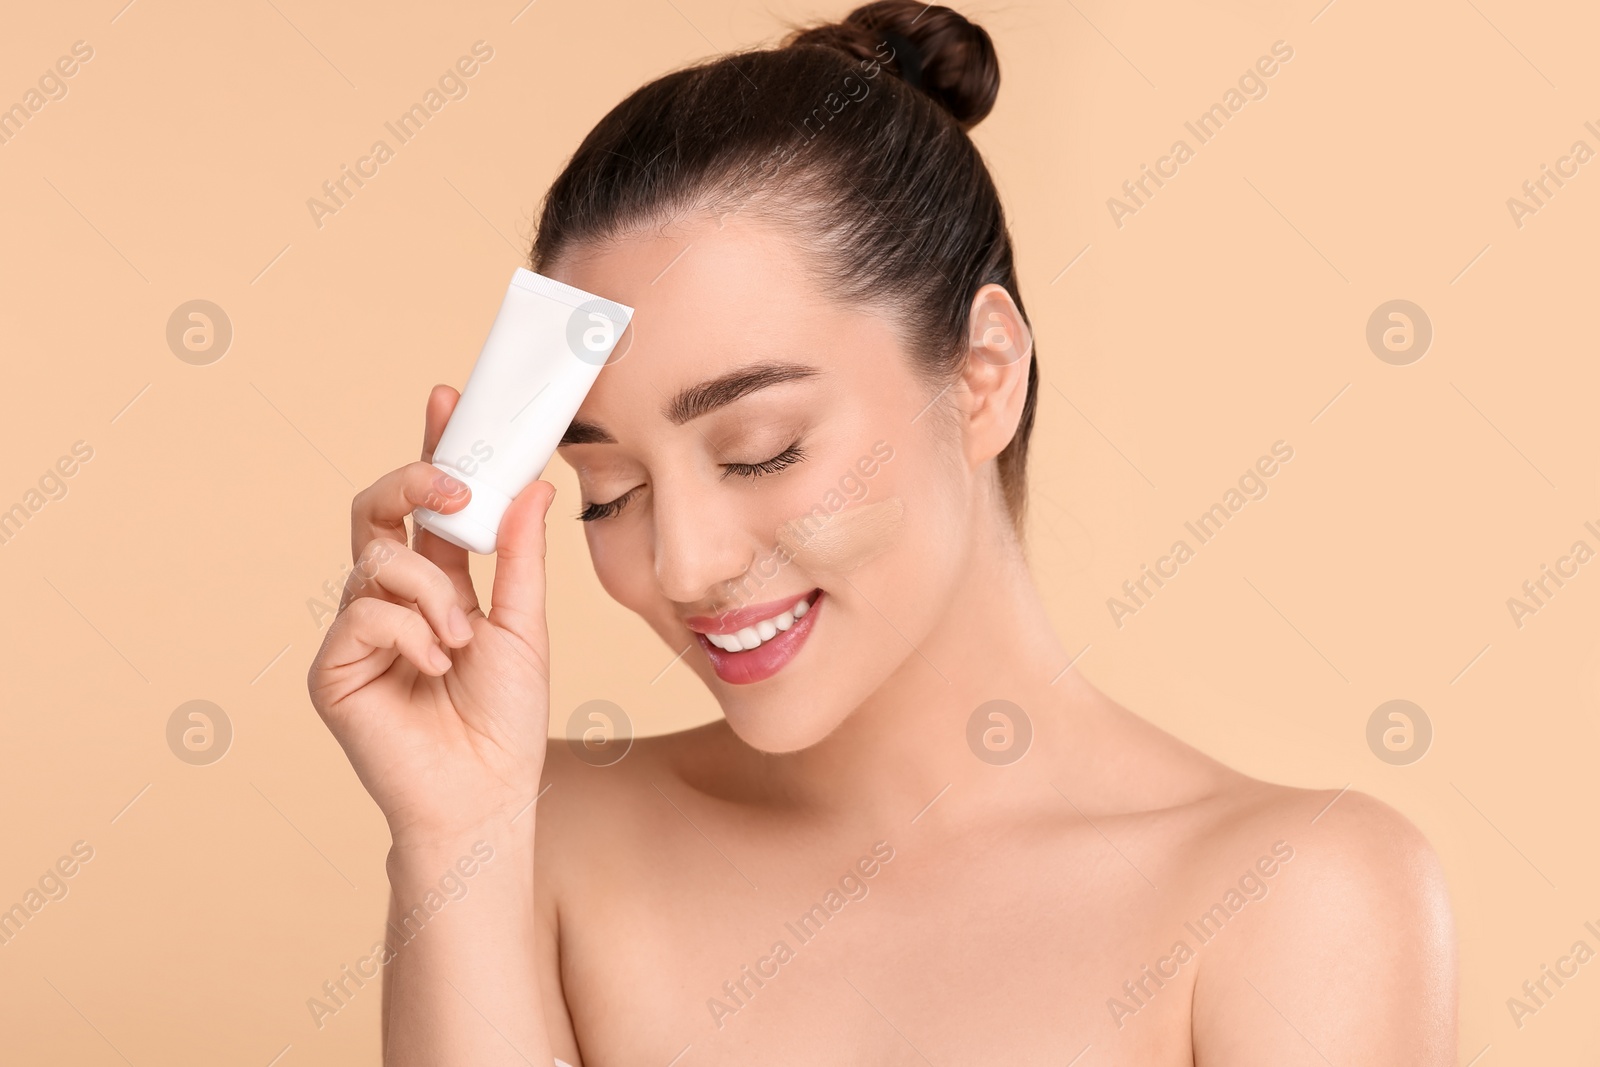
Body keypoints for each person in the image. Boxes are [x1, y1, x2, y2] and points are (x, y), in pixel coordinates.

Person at [308, 3, 1457, 1062]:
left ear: (981, 376)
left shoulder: (1290, 899)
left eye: (759, 448)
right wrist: (454, 838)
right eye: (608, 490)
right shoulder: (537, 846)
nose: (684, 563)